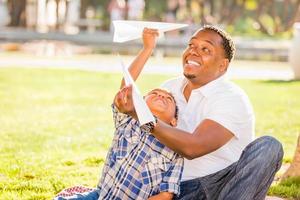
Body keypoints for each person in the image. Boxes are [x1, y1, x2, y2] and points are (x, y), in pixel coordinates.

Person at [116, 25, 284, 200]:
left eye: (205, 49)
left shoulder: (232, 98)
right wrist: (148, 48)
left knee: (269, 147)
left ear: (222, 65)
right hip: (168, 190)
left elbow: (193, 148)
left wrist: (145, 119)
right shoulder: (169, 89)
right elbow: (130, 101)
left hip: (220, 188)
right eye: (191, 45)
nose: (193, 52)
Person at [55, 28, 183, 200]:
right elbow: (127, 86)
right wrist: (147, 49)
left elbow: (166, 195)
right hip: (100, 196)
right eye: (154, 93)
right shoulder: (129, 121)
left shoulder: (175, 150)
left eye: (168, 98)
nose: (161, 95)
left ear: (174, 121)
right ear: (139, 104)